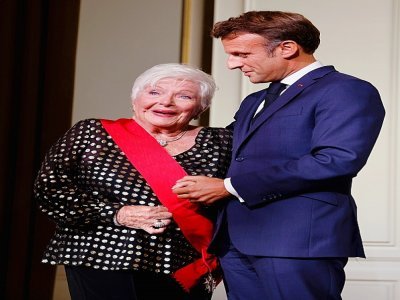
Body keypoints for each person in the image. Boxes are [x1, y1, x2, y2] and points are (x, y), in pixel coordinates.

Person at [172, 11, 386, 299]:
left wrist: (228, 187)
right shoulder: (254, 100)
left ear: (287, 48)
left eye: (242, 53)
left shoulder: (346, 90)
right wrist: (162, 126)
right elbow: (227, 147)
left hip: (297, 241)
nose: (232, 64)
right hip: (235, 242)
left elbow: (335, 160)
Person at [34, 63, 232, 300]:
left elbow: (242, 191)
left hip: (185, 262)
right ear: (135, 98)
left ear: (200, 107)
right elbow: (50, 189)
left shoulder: (220, 141)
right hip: (103, 256)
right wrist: (118, 213)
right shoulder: (92, 133)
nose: (166, 102)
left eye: (184, 96)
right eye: (154, 92)